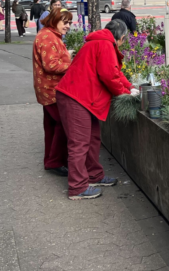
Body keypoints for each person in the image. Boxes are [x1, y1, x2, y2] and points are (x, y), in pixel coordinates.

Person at [56, 19, 135, 200]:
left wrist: (129, 87)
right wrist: (125, 92)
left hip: (81, 97)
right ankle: (77, 187)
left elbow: (115, 73)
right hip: (76, 97)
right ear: (121, 37)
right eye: (124, 40)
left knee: (92, 138)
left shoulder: (100, 42)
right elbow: (109, 75)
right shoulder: (105, 45)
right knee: (80, 143)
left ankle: (93, 175)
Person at [33, 9, 73, 177]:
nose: (68, 26)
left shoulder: (48, 34)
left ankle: (50, 160)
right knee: (64, 125)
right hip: (52, 89)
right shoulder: (48, 37)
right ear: (55, 20)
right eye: (65, 22)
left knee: (51, 126)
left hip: (47, 88)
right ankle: (55, 162)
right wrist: (73, 65)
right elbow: (51, 65)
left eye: (70, 23)